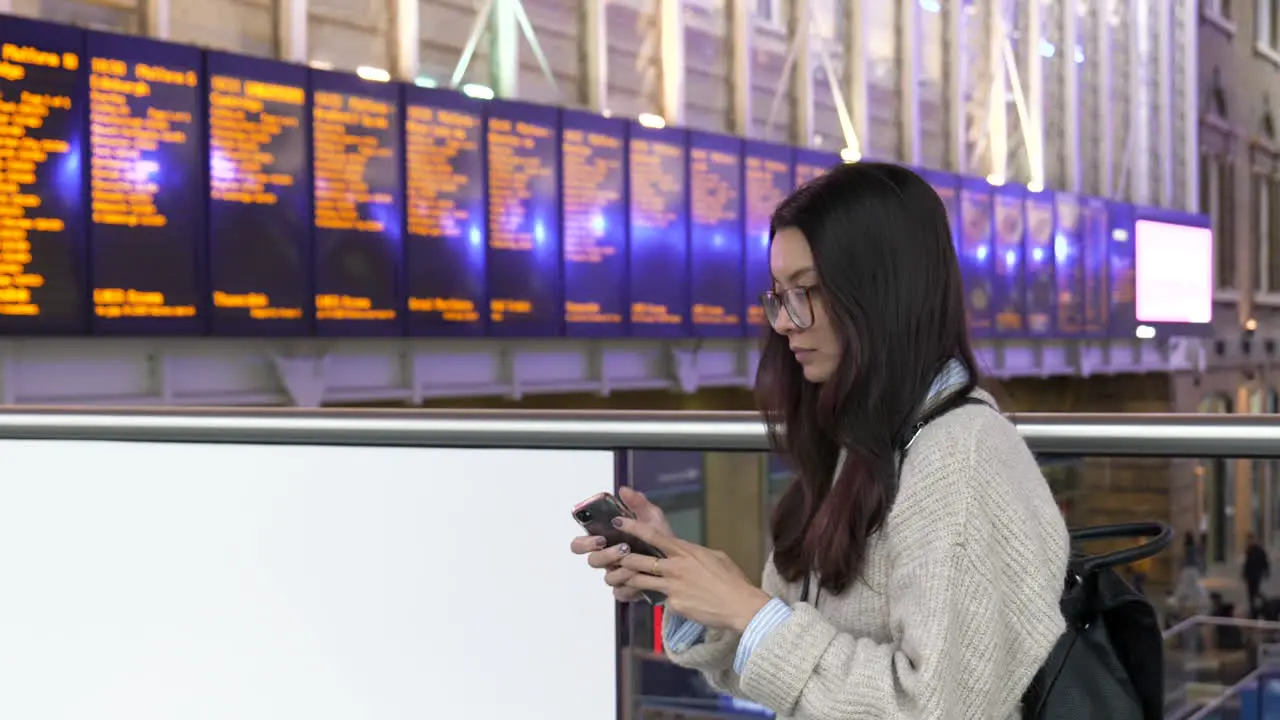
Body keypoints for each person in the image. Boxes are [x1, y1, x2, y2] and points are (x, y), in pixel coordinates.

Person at [570, 162, 1069, 719]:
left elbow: (934, 707)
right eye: (778, 295)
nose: (784, 323)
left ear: (882, 293)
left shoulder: (963, 459)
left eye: (805, 291)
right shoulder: (863, 444)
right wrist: (689, 586)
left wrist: (752, 611)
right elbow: (790, 677)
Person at [1243, 532, 1270, 618]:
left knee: (1255, 591)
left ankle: (1264, 603)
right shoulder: (1249, 550)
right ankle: (1253, 610)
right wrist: (1244, 573)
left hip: (1257, 573)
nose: (1250, 541)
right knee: (1251, 593)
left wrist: (1266, 571)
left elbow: (1265, 561)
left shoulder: (1259, 550)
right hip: (1250, 574)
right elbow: (1247, 563)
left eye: (1252, 539)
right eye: (1249, 540)